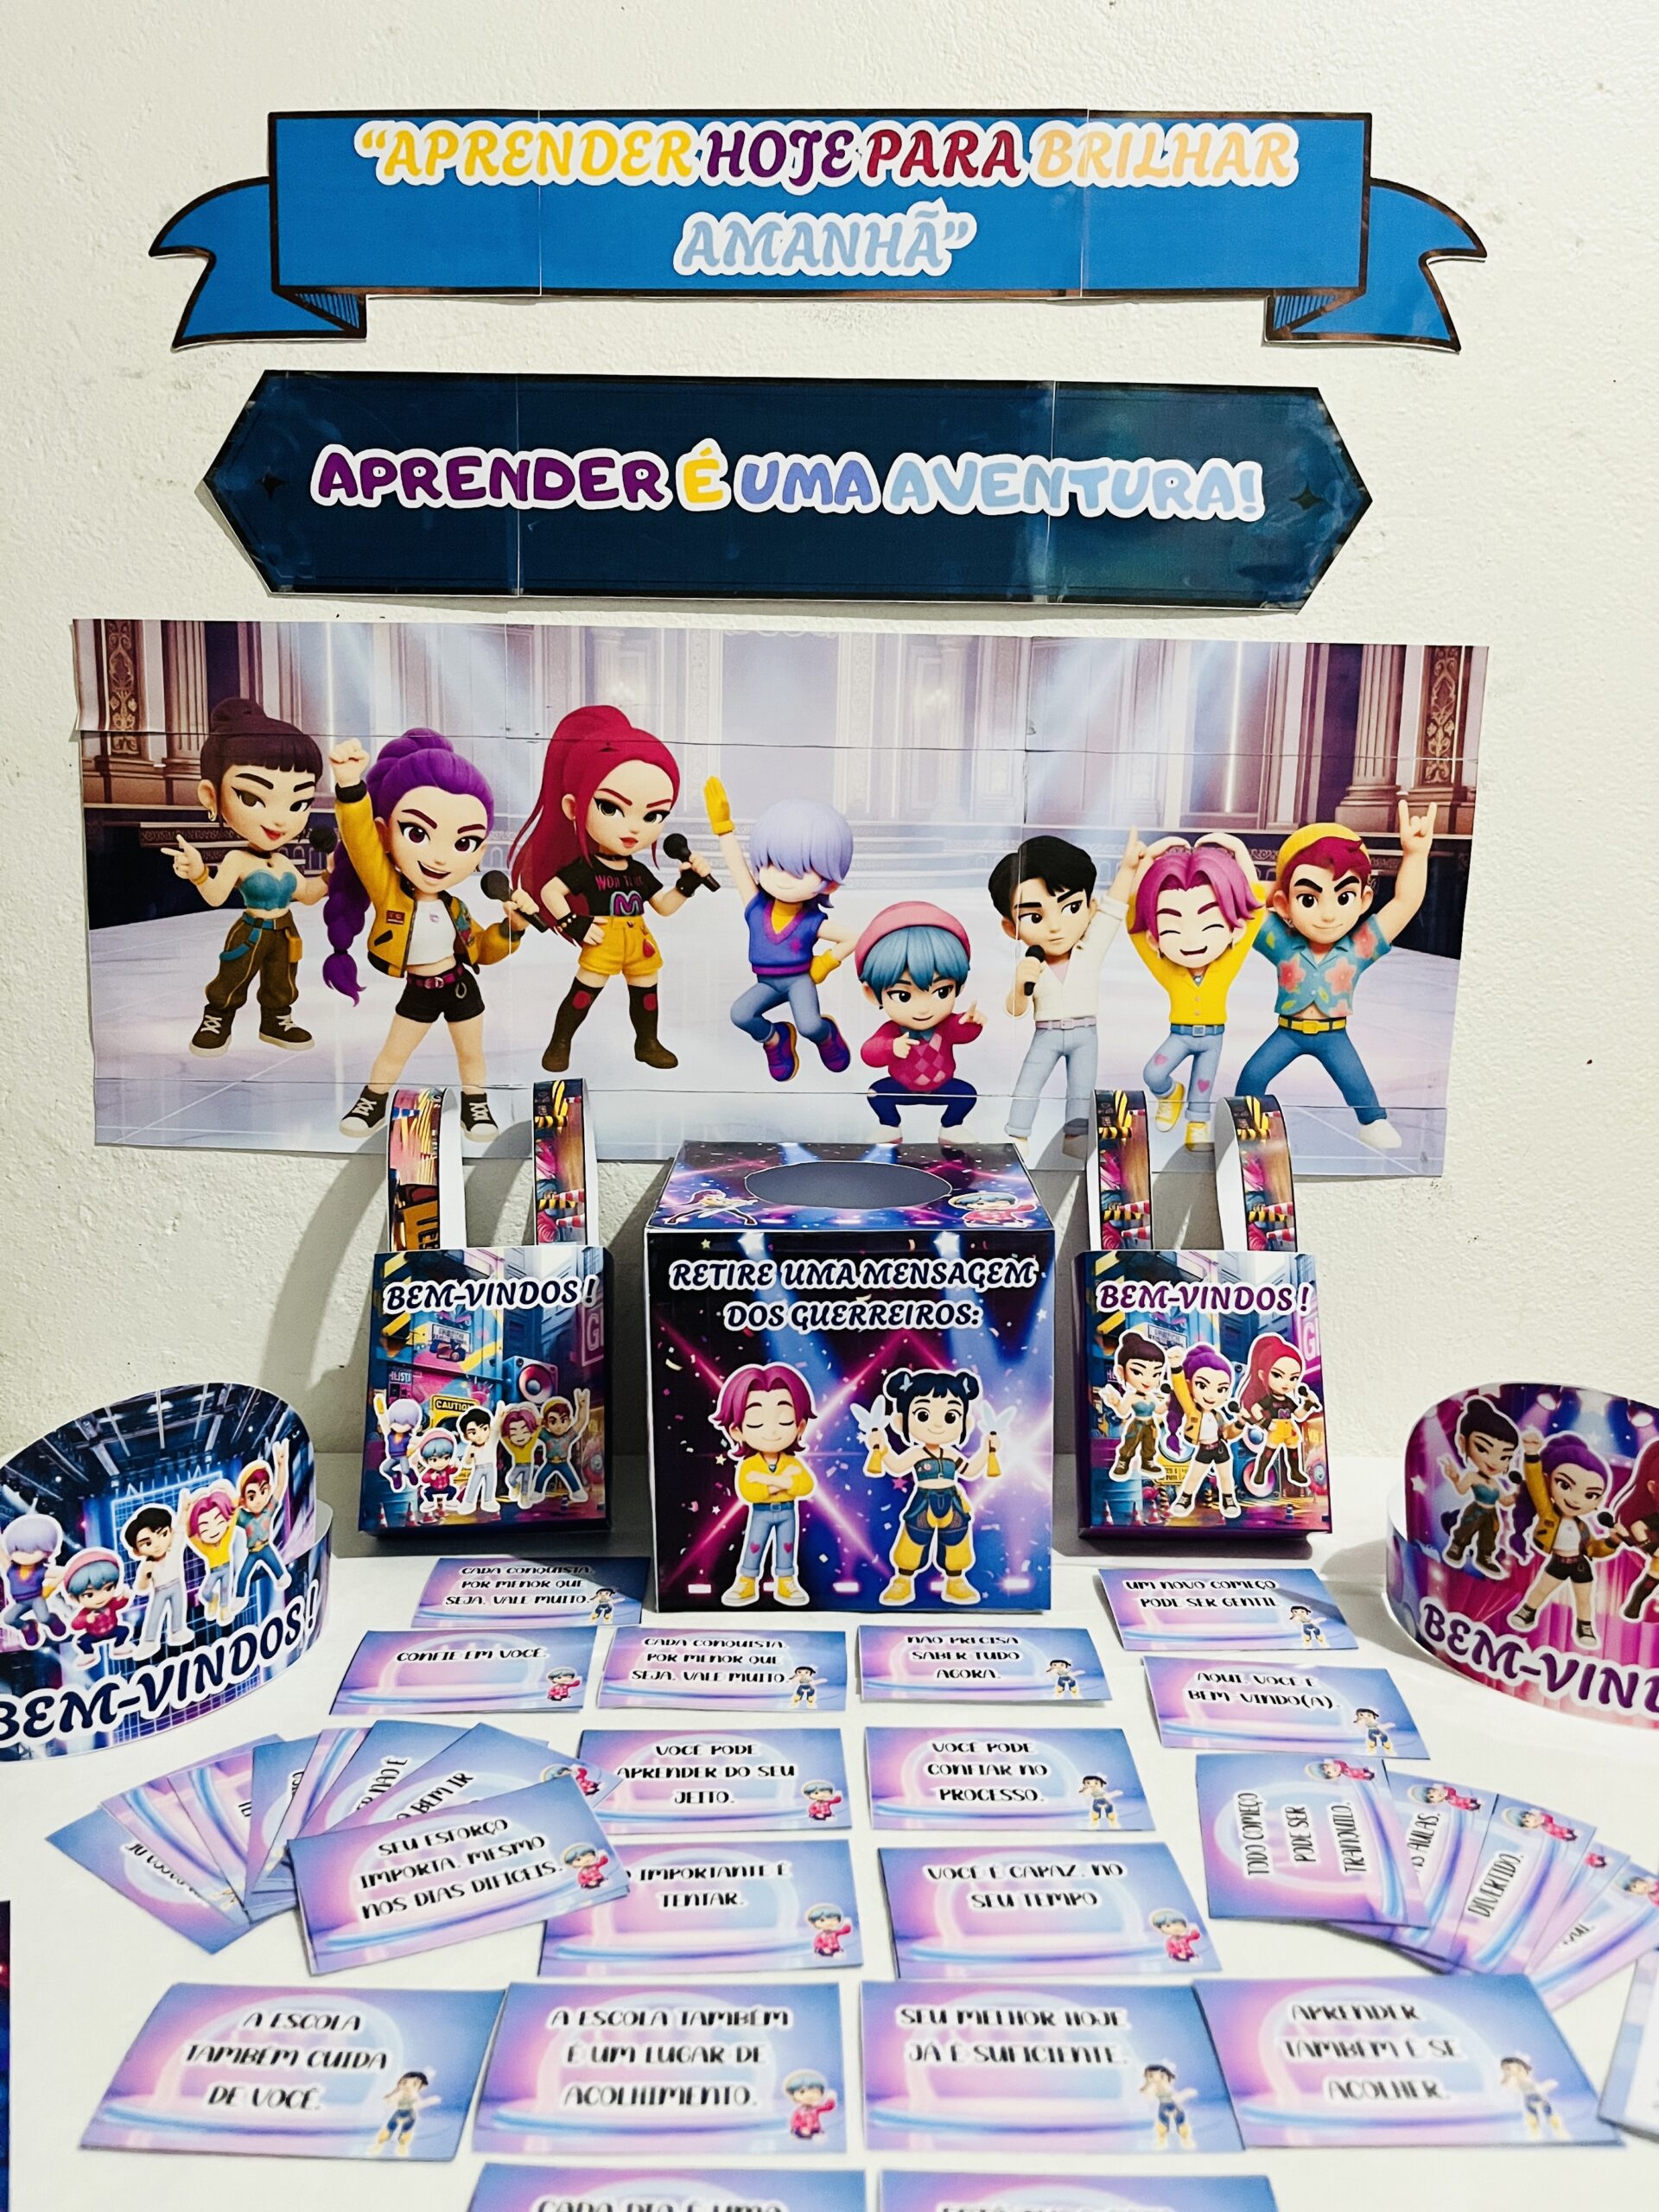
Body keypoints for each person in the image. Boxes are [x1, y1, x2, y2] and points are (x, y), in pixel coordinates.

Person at [325, 729, 537, 1141]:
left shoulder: (456, 909)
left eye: (465, 842)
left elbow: (482, 950)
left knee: (471, 1055)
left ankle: (476, 1105)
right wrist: (350, 788)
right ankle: (372, 1101)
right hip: (419, 991)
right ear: (387, 832)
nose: (440, 858)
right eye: (418, 833)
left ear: (480, 849)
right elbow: (361, 842)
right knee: (394, 1053)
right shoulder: (389, 891)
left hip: (460, 988)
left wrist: (513, 927)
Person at [511, 704, 715, 1073]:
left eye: (653, 815)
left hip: (639, 939)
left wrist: (688, 884)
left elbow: (664, 906)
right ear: (573, 807)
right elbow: (551, 893)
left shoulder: (638, 871)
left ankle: (647, 1042)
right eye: (609, 807)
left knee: (647, 992)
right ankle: (560, 1042)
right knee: (583, 994)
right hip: (602, 937)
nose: (634, 828)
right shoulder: (585, 868)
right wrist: (574, 923)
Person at [1236, 805, 1436, 1152]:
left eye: (1343, 897)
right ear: (1284, 903)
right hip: (1288, 1032)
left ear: (1364, 899)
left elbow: (1404, 903)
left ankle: (1372, 1121)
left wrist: (1416, 856)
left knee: (1356, 1082)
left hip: (1334, 1035)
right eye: (1308, 898)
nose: (1328, 914)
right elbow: (1248, 905)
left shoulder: (1359, 947)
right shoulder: (1282, 945)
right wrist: (1268, 883)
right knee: (1253, 1075)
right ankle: (1248, 1127)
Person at [166, 697, 330, 1057]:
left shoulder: (284, 862)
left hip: (284, 932)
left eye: (298, 803)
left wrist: (333, 872)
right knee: (233, 976)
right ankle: (217, 1017)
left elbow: (307, 894)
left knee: (282, 979)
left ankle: (277, 1019)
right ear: (211, 795)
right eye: (253, 798)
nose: (280, 819)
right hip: (250, 932)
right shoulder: (237, 859)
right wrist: (199, 873)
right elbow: (215, 896)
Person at [989, 833, 1141, 1155]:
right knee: (1028, 1084)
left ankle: (1076, 1136)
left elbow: (1114, 909)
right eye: (1034, 917)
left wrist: (1128, 868)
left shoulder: (1090, 950)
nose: (1055, 927)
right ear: (1011, 927)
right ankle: (1017, 1135)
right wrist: (1020, 986)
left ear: (1090, 908)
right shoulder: (1032, 964)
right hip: (1045, 1033)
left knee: (1081, 1089)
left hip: (1086, 1033)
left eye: (1071, 907)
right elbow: (1015, 1010)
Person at [704, 784, 856, 1081]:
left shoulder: (811, 920)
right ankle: (775, 1039)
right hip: (768, 983)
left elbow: (851, 937)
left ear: (830, 883)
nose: (783, 878)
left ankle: (826, 1036)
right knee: (741, 1014)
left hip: (799, 980)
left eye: (799, 871)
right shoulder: (756, 907)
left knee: (809, 1026)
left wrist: (823, 964)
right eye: (772, 864)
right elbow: (737, 868)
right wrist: (723, 829)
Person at [1127, 834, 1264, 1149]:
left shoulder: (1226, 966)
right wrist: (1148, 860)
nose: (1190, 939)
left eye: (1208, 923)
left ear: (1235, 930)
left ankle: (1197, 1126)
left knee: (1203, 1086)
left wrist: (1239, 850)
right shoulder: (1168, 970)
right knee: (1153, 1073)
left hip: (1213, 1037)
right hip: (1180, 1035)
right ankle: (1170, 1094)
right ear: (1155, 938)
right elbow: (1135, 916)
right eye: (1172, 927)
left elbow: (1255, 906)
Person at [865, 1368, 999, 1607]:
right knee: (913, 1539)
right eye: (923, 1415)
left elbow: (970, 1470)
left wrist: (987, 1450)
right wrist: (882, 1448)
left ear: (965, 1422)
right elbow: (897, 1466)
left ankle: (956, 1581)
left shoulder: (951, 1454)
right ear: (901, 1421)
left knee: (956, 1540)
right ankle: (903, 1580)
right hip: (923, 1501)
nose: (937, 1424)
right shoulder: (917, 1454)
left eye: (950, 1416)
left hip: (952, 1501)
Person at [855, 902, 982, 1134]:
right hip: (901, 1087)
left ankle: (951, 1127)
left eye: (942, 991)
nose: (924, 1009)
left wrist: (971, 1023)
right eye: (903, 995)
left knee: (967, 1095)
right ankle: (890, 1126)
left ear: (959, 987)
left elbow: (962, 1032)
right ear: (872, 994)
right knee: (876, 1094)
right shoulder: (893, 1031)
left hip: (942, 1086)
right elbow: (869, 1053)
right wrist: (890, 1046)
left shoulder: (945, 1026)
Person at [715, 1363, 817, 1609]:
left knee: (786, 1547)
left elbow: (805, 1486)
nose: (771, 1431)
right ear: (737, 1431)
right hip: (760, 1513)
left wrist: (769, 1481)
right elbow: (750, 1493)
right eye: (756, 1423)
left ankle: (786, 1581)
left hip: (788, 1512)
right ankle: (747, 1580)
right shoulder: (749, 1465)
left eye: (784, 1421)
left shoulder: (792, 1462)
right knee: (754, 1545)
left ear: (800, 1426)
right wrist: (783, 1483)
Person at [1508, 1429, 1622, 1649]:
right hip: (1558, 1562)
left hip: (1580, 1565)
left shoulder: (1583, 1528)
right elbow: (1536, 1486)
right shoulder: (1548, 1513)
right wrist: (1532, 1455)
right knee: (1540, 1590)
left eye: (1590, 1495)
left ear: (1598, 1501)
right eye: (1565, 1485)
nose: (1576, 1499)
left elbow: (1594, 1549)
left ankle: (1585, 1627)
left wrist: (1613, 1541)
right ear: (1550, 1480)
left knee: (1584, 1600)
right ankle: (1527, 1612)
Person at [1091, 1329, 1169, 1527]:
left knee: (1150, 1446)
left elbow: (1160, 1409)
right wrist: (1115, 1402)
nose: (1148, 1379)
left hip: (1150, 1425)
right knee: (1130, 1445)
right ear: (1121, 1372)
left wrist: (1170, 1403)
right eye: (1138, 1371)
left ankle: (1148, 1462)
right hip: (1136, 1424)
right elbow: (1123, 1411)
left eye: (1156, 1373)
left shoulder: (1151, 1397)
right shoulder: (1132, 1397)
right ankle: (1123, 1462)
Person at [1438, 1395, 1520, 1580]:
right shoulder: (1472, 1476)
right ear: (1463, 1442)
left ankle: (1485, 1556)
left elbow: (1505, 1501)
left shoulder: (1496, 1483)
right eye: (1483, 1449)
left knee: (1489, 1537)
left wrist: (1517, 1494)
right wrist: (1454, 1477)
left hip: (1492, 1514)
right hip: (1476, 1510)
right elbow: (1461, 1489)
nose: (1494, 1462)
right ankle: (1457, 1546)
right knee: (1466, 1529)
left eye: (1505, 1457)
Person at [1165, 1348, 1245, 1520]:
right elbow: (1181, 1391)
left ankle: (1229, 1500)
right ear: (1191, 1385)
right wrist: (1176, 1368)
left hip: (1220, 1448)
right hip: (1204, 1449)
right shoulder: (1192, 1410)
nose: (1212, 1395)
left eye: (1221, 1389)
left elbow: (1228, 1434)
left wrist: (1240, 1423)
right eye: (1202, 1385)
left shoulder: (1218, 1415)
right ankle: (1185, 1499)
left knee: (1226, 1477)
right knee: (1194, 1477)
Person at [1236, 1336, 1319, 1499]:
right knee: (1269, 1451)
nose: (1286, 1383)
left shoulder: (1289, 1400)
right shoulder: (1268, 1399)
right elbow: (1255, 1408)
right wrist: (1265, 1423)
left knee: (1293, 1451)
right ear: (1263, 1375)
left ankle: (1295, 1472)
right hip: (1275, 1427)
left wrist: (1308, 1404)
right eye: (1277, 1375)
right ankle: (1260, 1472)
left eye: (1293, 1378)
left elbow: (1299, 1415)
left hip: (1289, 1427)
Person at [121, 1503, 192, 1654]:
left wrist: (185, 1510)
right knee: (155, 1614)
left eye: (163, 1534)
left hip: (177, 1585)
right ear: (137, 1551)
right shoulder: (148, 1565)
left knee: (178, 1609)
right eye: (147, 1543)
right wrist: (145, 1576)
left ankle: (177, 1630)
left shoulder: (173, 1550)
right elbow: (141, 1588)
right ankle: (149, 1641)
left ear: (170, 1532)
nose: (157, 1544)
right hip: (159, 1590)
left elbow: (181, 1529)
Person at [0, 1509, 66, 1648]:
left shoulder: (39, 1571)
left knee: (44, 1618)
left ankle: (52, 1620)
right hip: (20, 1601)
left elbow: (63, 1573)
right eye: (18, 1549)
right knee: (8, 1619)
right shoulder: (12, 1570)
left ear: (47, 1552)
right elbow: (2, 1555)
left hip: (37, 1599)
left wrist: (49, 1588)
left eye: (31, 1551)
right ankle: (27, 1627)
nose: (24, 1555)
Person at [180, 1484, 238, 1626]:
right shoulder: (204, 1546)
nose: (213, 1529)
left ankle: (224, 1608)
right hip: (213, 1570)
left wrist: (224, 1488)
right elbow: (189, 1533)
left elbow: (235, 1508)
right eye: (205, 1526)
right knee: (205, 1593)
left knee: (225, 1590)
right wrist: (186, 1509)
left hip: (227, 1567)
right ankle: (213, 1599)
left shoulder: (227, 1537)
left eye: (219, 1521)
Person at [373, 2070, 438, 2158]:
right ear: (400, 2083)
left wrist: (429, 2101)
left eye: (415, 2084)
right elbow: (391, 2102)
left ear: (421, 2087)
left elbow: (419, 2105)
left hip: (410, 2115)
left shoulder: (415, 2096)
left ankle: (402, 2146)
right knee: (388, 2129)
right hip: (398, 2113)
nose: (408, 2086)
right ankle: (379, 2145)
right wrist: (388, 2102)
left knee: (406, 2131)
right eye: (405, 2083)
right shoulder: (399, 2094)